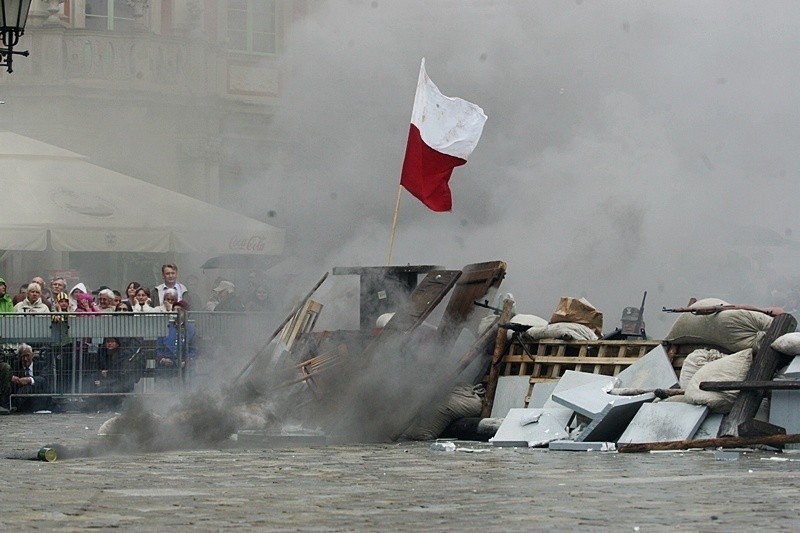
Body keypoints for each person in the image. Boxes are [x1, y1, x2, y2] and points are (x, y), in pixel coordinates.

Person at [0, 344, 50, 412]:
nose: (25, 359)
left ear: (32, 355)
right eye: (23, 356)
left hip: (37, 397)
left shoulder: (41, 365)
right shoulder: (15, 366)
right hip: (20, 398)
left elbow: (44, 379)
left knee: (29, 386)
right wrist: (11, 378)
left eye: (27, 355)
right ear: (19, 357)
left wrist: (29, 380)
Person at [155, 300, 197, 369]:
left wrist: (187, 361)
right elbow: (158, 348)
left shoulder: (191, 329)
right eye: (174, 310)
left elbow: (194, 349)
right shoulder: (166, 327)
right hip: (166, 366)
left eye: (179, 310)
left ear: (185, 313)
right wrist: (162, 359)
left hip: (185, 366)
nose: (176, 312)